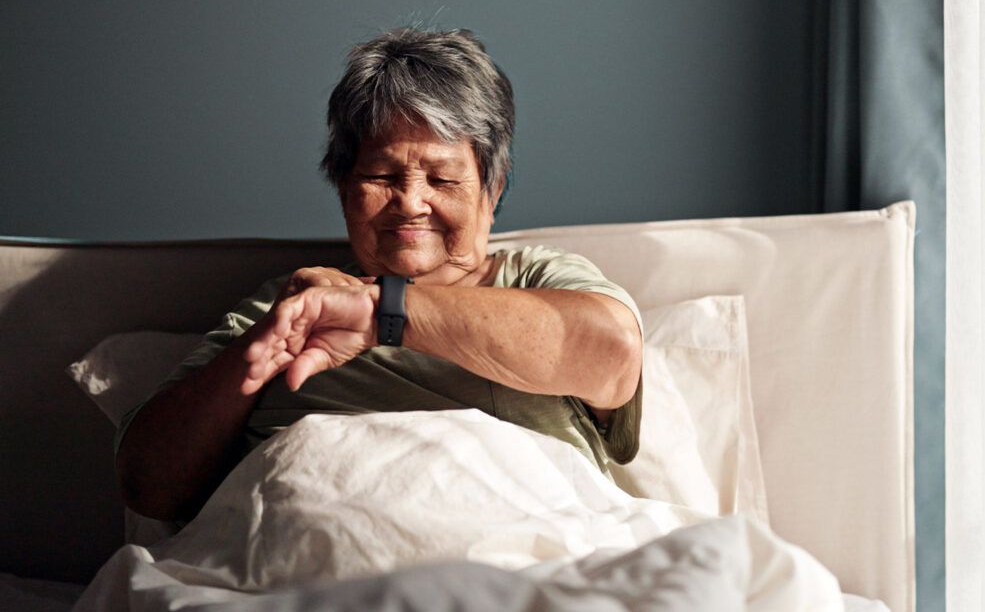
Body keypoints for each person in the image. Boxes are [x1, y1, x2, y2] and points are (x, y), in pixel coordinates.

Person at [114, 28, 644, 523]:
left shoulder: (539, 278)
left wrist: (380, 311)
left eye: (441, 177)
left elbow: (613, 354)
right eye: (381, 176)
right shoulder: (293, 303)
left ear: (493, 187)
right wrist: (250, 362)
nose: (411, 202)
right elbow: (147, 487)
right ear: (343, 186)